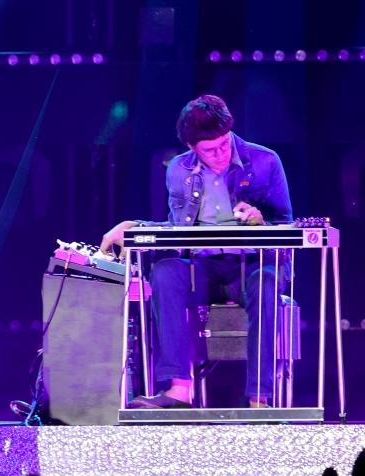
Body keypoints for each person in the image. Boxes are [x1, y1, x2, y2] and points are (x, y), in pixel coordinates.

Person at [100, 94, 293, 409]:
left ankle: (260, 397)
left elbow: (286, 224)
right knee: (165, 271)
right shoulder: (178, 169)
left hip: (251, 266)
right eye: (209, 150)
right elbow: (177, 230)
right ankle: (178, 389)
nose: (219, 154)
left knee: (267, 283)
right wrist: (133, 225)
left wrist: (260, 220)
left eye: (224, 145)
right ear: (192, 148)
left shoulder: (265, 161)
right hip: (204, 268)